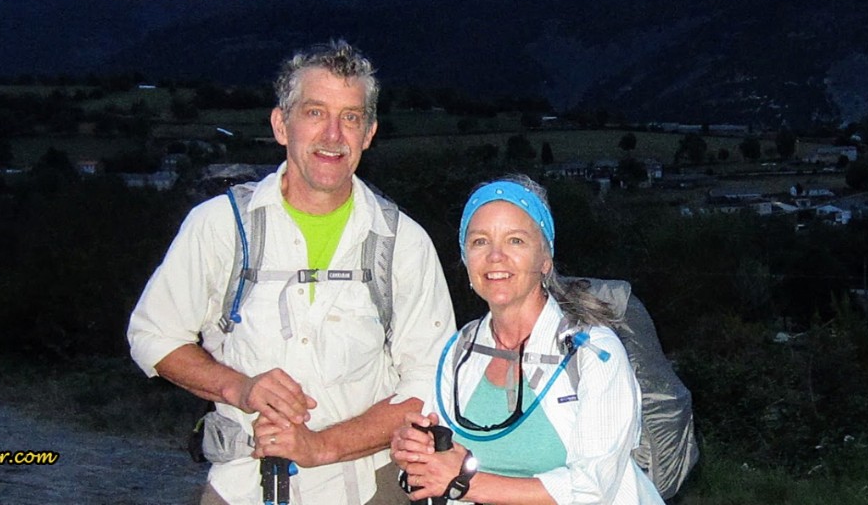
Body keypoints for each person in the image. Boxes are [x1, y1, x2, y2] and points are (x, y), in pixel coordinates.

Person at [128, 39, 456, 505]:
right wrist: (239, 388)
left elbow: (430, 384)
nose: (333, 135)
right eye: (314, 112)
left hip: (367, 488)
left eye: (351, 117)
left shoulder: (402, 241)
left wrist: (321, 446)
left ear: (369, 133)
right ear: (281, 125)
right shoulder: (221, 226)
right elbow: (152, 335)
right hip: (242, 484)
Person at [390, 175, 664, 505]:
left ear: (545, 259)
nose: (495, 256)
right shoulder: (458, 352)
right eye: (479, 241)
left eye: (515, 241)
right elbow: (434, 478)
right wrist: (415, 456)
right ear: (465, 259)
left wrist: (464, 482)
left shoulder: (593, 353)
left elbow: (592, 489)